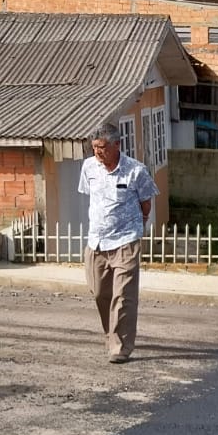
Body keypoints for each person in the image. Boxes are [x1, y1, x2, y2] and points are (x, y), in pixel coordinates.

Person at [78, 121, 156, 363]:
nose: (98, 152)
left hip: (126, 240)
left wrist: (139, 225)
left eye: (102, 147)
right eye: (94, 147)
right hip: (97, 242)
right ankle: (110, 335)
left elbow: (146, 202)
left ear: (117, 145)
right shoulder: (89, 167)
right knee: (100, 293)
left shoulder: (136, 171)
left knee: (123, 296)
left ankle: (120, 347)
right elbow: (91, 198)